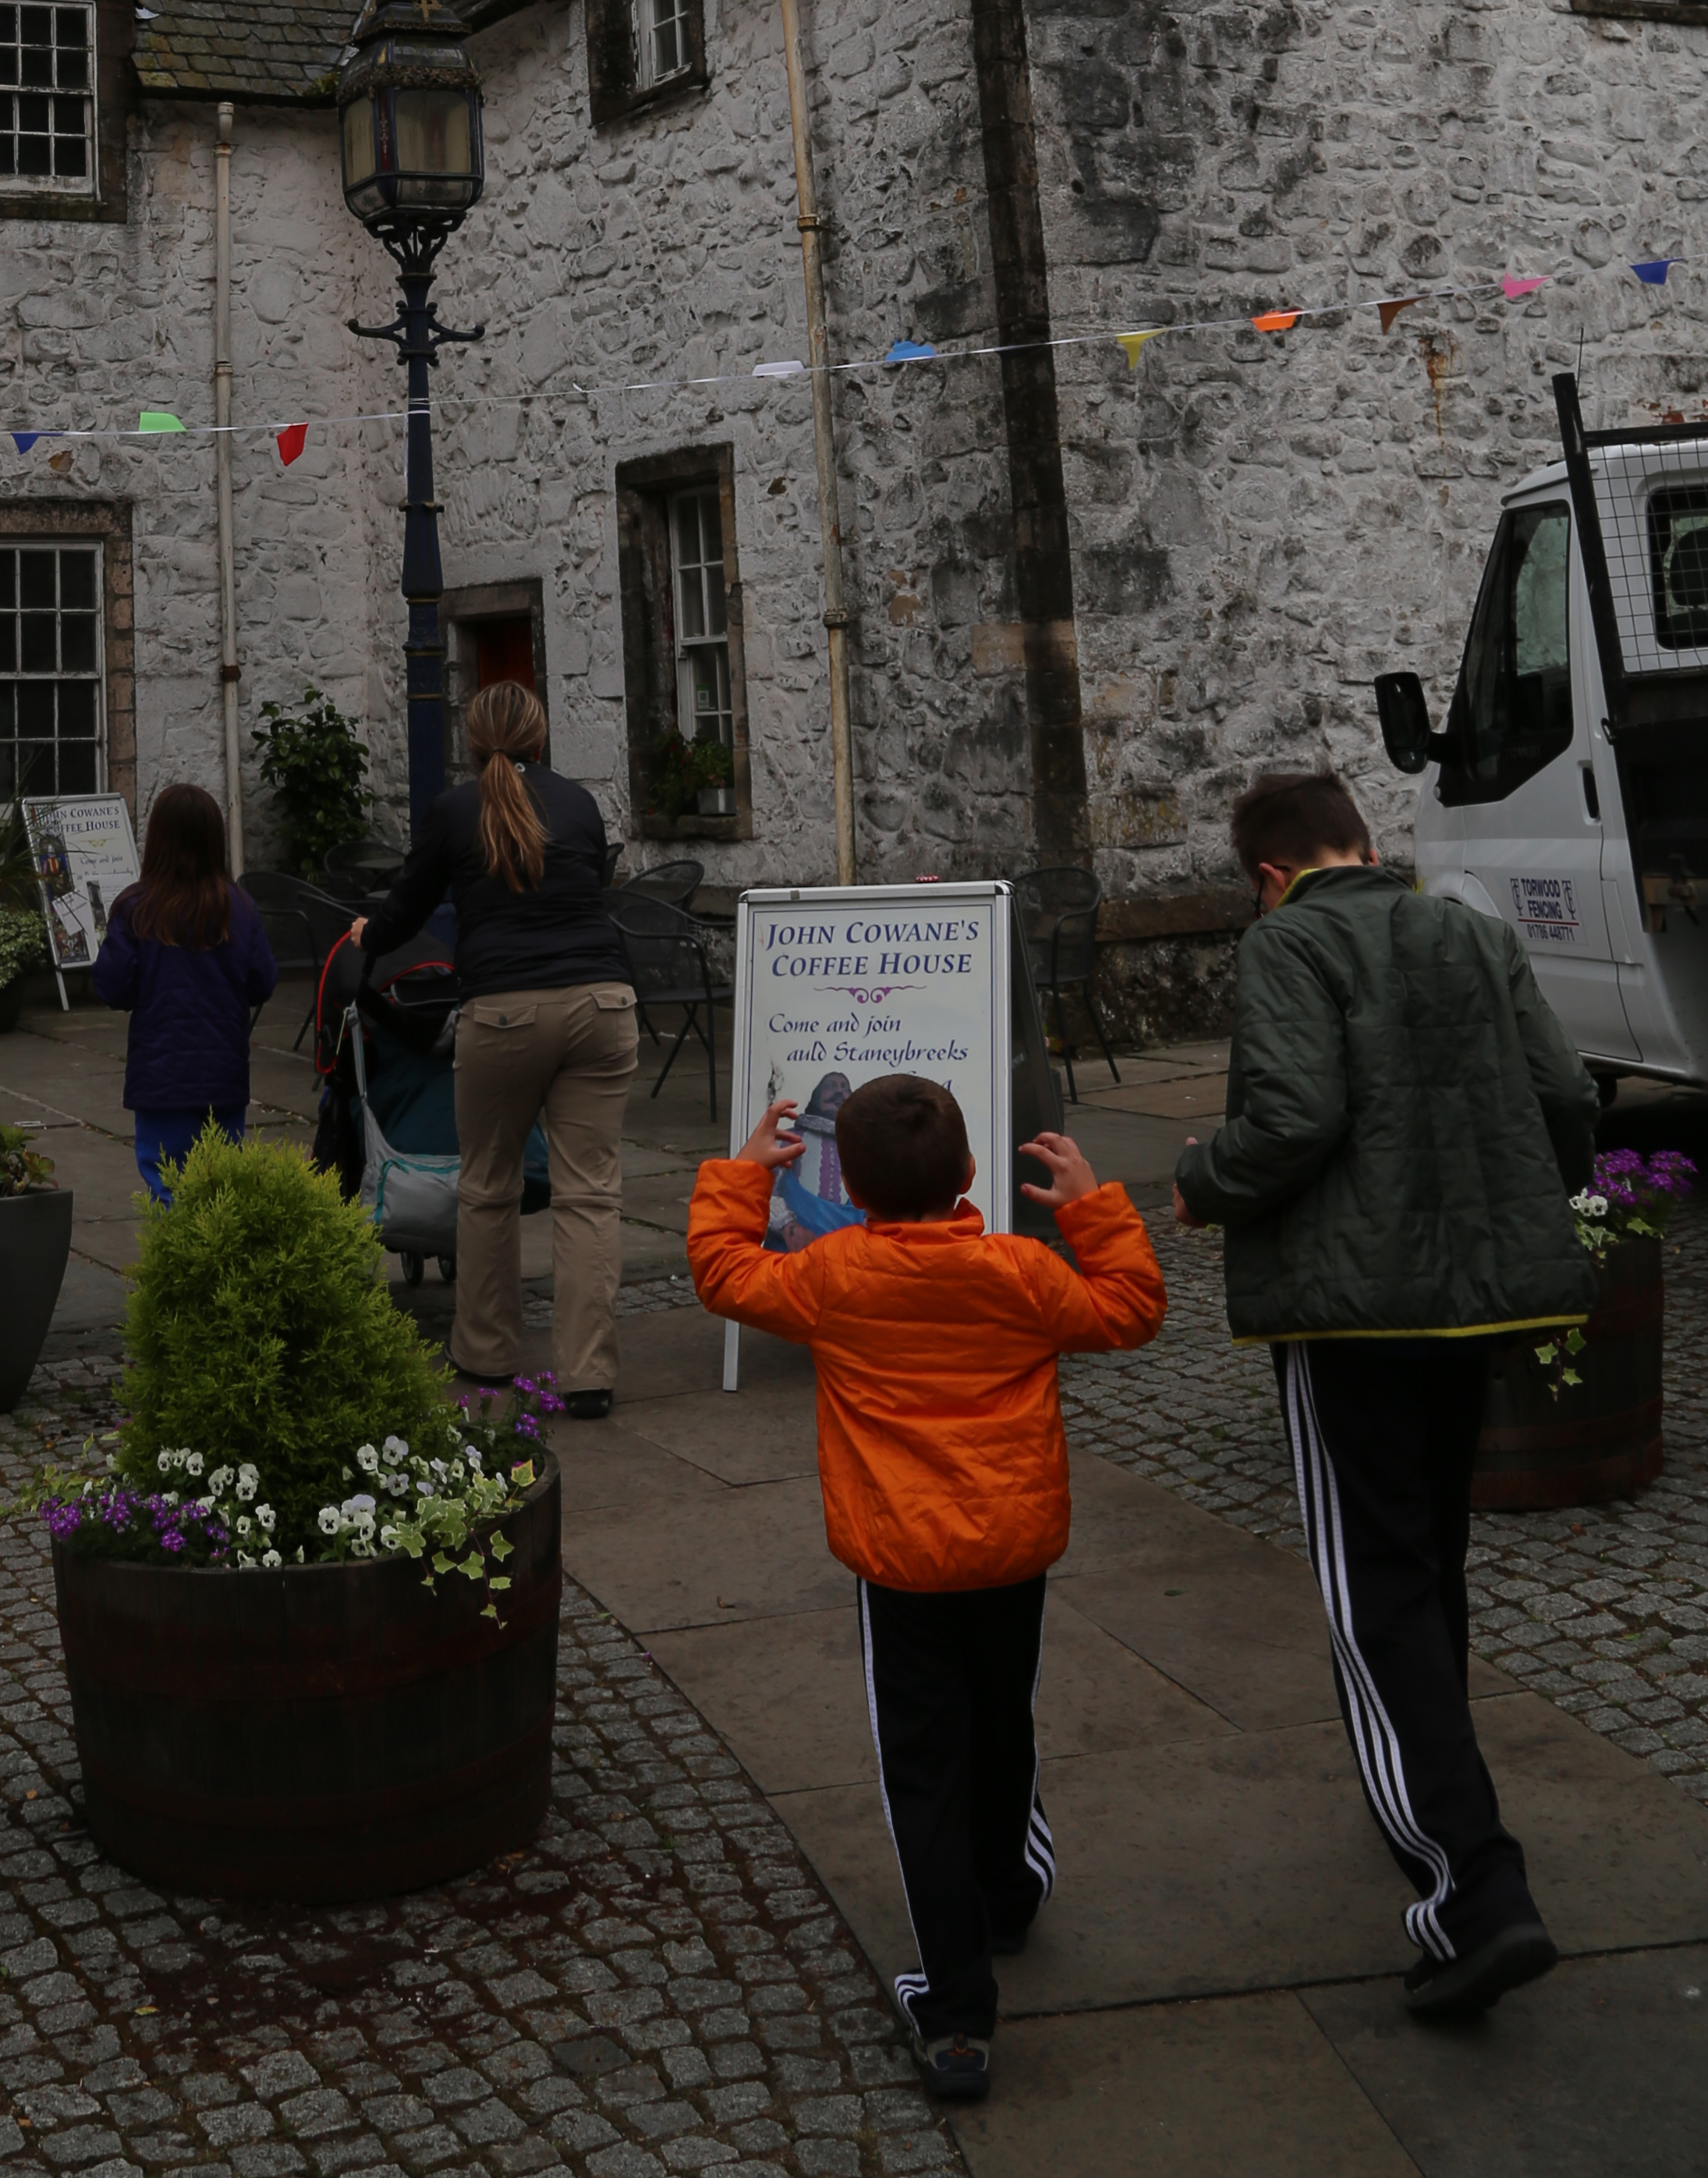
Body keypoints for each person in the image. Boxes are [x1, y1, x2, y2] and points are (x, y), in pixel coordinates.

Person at [1171, 767, 1596, 2024]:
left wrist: (1203, 1176)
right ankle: (1438, 1789)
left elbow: (1295, 1117)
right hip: (1471, 1299)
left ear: (1268, 875)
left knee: (1375, 1591)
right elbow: (1565, 1099)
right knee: (1432, 1565)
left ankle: (1473, 1880)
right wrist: (1534, 1205)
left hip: (1351, 1311)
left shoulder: (1288, 945)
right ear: (1362, 840)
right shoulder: (1469, 928)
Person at [689, 1073, 1164, 2105]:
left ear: (848, 1186)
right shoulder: (1019, 1273)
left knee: (924, 1770)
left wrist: (744, 1175)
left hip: (903, 1562)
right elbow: (1131, 1310)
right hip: (1011, 1549)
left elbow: (724, 1275)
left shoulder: (832, 1275)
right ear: (970, 1173)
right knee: (1004, 1723)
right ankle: (1006, 1894)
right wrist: (1089, 1203)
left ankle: (956, 2012)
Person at [353, 683, 636, 1415]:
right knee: (590, 1194)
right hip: (603, 1003)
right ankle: (590, 1375)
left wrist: (366, 940)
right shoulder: (578, 803)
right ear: (541, 740)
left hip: (504, 1012)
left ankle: (485, 1353)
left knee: (488, 1185)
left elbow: (406, 906)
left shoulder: (454, 810)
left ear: (472, 743)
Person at [90, 779, 278, 1204]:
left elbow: (113, 986)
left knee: (168, 1186)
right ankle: (214, 1268)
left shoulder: (138, 908)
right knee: (220, 1189)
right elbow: (262, 981)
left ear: (157, 840)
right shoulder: (239, 907)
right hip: (223, 1074)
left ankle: (177, 1267)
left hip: (162, 1076)